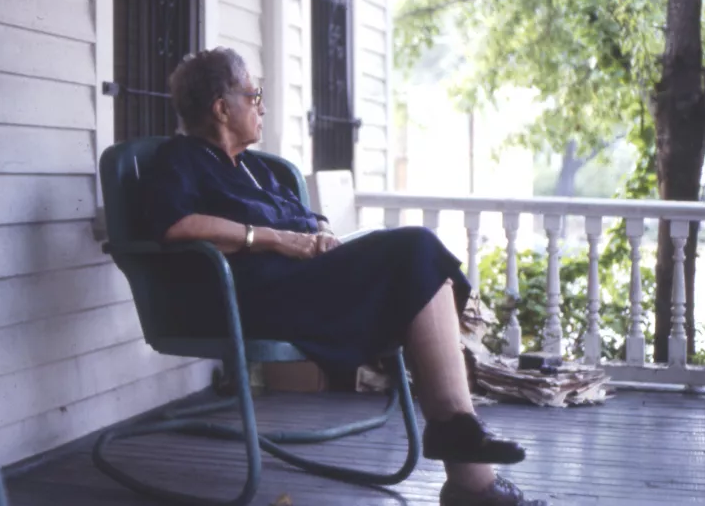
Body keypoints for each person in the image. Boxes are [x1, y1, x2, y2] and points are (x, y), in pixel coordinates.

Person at [144, 47, 547, 506]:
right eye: (253, 95)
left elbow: (304, 218)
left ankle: (467, 466)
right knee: (415, 248)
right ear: (221, 108)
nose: (262, 105)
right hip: (254, 297)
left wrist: (319, 233)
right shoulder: (180, 159)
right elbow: (176, 226)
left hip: (306, 284)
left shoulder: (256, 168)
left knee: (418, 266)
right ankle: (465, 460)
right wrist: (274, 239)